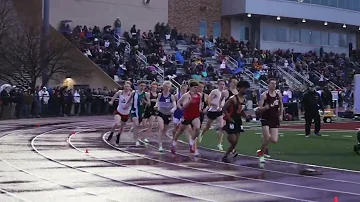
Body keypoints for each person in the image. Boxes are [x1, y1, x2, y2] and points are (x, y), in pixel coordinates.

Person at [221, 81, 250, 163]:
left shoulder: (244, 99)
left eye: (246, 88)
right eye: (244, 88)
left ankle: (225, 156)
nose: (245, 90)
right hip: (231, 120)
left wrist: (246, 116)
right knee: (233, 140)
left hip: (238, 121)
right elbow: (224, 108)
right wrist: (229, 118)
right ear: (239, 88)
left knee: (235, 142)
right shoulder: (233, 98)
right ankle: (225, 132)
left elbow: (241, 111)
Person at [256, 78, 284, 163]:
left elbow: (281, 105)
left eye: (275, 83)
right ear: (268, 85)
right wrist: (265, 108)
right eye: (272, 83)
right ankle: (261, 153)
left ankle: (264, 140)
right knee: (267, 137)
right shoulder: (264, 95)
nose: (274, 85)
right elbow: (259, 108)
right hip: (266, 118)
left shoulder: (278, 94)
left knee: (274, 140)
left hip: (274, 117)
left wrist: (281, 115)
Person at [171, 80, 201, 155]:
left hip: (195, 115)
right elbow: (183, 105)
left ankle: (191, 142)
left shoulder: (199, 95)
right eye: (194, 87)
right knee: (180, 131)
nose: (196, 89)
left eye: (197, 87)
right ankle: (174, 142)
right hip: (187, 116)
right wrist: (188, 102)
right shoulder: (187, 95)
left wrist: (200, 108)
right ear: (190, 88)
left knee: (197, 128)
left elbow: (199, 103)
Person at [199, 79, 226, 150]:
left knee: (221, 126)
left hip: (219, 112)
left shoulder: (225, 92)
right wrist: (215, 104)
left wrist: (222, 106)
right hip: (212, 111)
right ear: (218, 85)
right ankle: (202, 133)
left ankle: (219, 144)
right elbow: (208, 100)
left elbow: (223, 102)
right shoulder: (215, 91)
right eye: (221, 84)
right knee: (208, 126)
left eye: (223, 84)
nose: (222, 86)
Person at [154, 81, 177, 152]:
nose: (167, 88)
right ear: (163, 87)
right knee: (161, 127)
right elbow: (157, 102)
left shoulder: (172, 96)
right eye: (166, 87)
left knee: (165, 130)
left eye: (168, 87)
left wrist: (172, 110)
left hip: (168, 115)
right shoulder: (160, 95)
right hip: (161, 113)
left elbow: (175, 106)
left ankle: (161, 140)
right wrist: (156, 106)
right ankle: (160, 145)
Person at [130, 81, 150, 146]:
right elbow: (129, 99)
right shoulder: (134, 92)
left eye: (144, 86)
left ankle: (134, 132)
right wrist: (126, 106)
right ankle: (136, 140)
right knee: (136, 124)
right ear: (138, 85)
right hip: (134, 110)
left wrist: (144, 101)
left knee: (140, 125)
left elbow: (149, 103)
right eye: (141, 85)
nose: (142, 87)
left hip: (141, 112)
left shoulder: (146, 94)